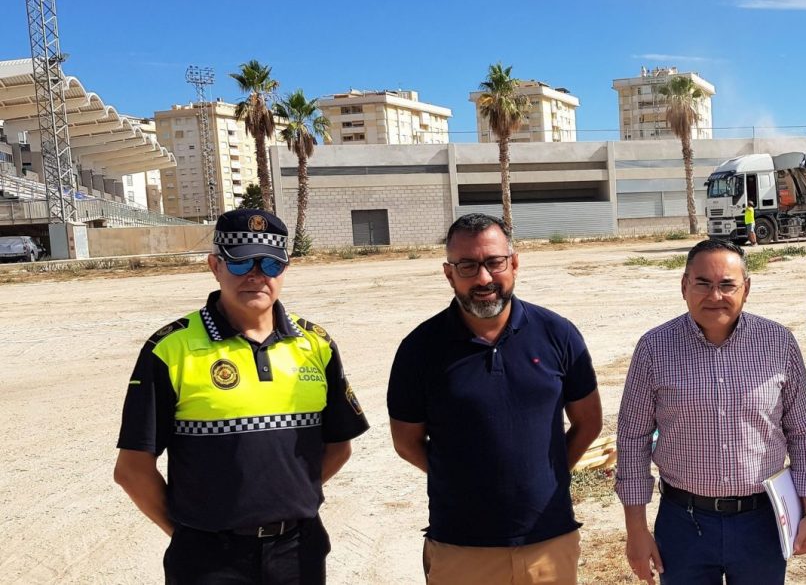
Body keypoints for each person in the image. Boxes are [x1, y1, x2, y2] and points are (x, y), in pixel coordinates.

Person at [114, 208, 369, 584]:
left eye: (269, 264)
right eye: (240, 264)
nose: (256, 275)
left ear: (285, 269)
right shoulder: (169, 349)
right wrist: (190, 533)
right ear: (214, 266)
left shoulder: (317, 344)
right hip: (209, 559)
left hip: (299, 551)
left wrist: (286, 498)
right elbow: (132, 470)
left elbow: (338, 447)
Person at [388, 213, 603, 585]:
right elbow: (406, 442)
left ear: (514, 264)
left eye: (494, 262)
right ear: (448, 273)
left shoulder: (558, 334)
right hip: (461, 547)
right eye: (468, 265)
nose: (484, 278)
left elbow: (589, 422)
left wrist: (548, 476)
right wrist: (463, 479)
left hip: (549, 541)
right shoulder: (419, 349)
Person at [617, 238, 806, 585]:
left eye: (727, 285)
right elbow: (632, 439)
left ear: (746, 289)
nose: (715, 296)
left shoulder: (777, 343)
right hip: (683, 524)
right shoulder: (654, 349)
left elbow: (804, 432)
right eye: (702, 283)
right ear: (684, 286)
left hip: (762, 521)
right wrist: (636, 531)